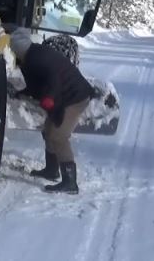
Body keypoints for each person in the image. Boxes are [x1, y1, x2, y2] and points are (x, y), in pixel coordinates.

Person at [9, 27, 95, 194]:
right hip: (64, 96)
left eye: (13, 48)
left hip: (75, 97)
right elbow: (36, 84)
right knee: (48, 131)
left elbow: (53, 79)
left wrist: (49, 98)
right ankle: (51, 170)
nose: (12, 51)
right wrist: (22, 93)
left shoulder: (38, 57)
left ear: (19, 48)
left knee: (58, 136)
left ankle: (70, 183)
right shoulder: (28, 58)